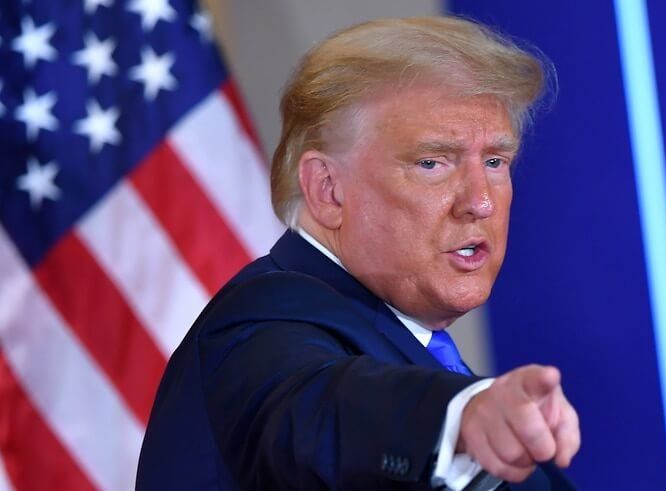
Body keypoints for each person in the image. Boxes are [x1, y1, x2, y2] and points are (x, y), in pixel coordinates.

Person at [137, 16, 580, 491]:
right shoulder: (262, 321)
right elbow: (321, 406)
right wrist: (459, 416)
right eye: (432, 162)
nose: (481, 201)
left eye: (495, 161)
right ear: (328, 190)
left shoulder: (414, 347)